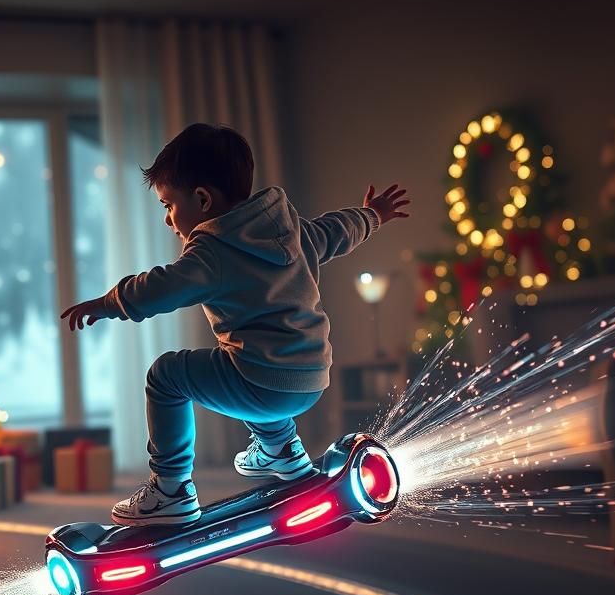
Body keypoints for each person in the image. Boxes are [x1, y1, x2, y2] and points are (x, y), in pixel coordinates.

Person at [61, 122, 409, 526]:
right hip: (311, 377)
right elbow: (336, 231)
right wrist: (372, 215)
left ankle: (170, 489)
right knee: (245, 364)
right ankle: (281, 449)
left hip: (262, 381)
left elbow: (163, 288)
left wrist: (109, 302)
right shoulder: (290, 231)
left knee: (166, 375)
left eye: (168, 205)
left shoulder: (212, 252)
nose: (169, 220)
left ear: (203, 199)